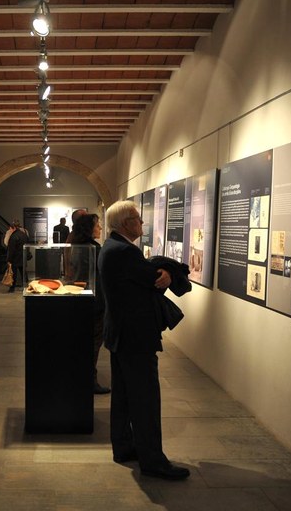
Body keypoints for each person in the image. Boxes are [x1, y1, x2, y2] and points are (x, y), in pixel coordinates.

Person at [97, 200, 190, 480]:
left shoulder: (112, 246)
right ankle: (153, 461)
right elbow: (154, 279)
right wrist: (167, 272)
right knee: (146, 399)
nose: (142, 223)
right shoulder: (125, 252)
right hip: (135, 336)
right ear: (126, 223)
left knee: (124, 396)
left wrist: (164, 272)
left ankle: (124, 447)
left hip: (121, 334)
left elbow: (151, 277)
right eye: (138, 219)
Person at [70, 213, 111, 394]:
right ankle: (89, 381)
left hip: (84, 298)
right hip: (93, 302)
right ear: (88, 228)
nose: (100, 228)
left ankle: (83, 377)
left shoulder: (78, 246)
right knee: (93, 343)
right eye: (97, 225)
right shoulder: (92, 249)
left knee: (87, 342)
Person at [6, 219, 28, 293]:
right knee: (23, 273)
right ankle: (26, 286)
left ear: (13, 228)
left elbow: (11, 249)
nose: (10, 230)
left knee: (13, 274)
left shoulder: (13, 236)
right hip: (23, 256)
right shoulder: (24, 234)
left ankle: (12, 288)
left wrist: (9, 259)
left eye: (10, 229)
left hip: (15, 258)